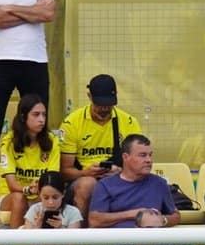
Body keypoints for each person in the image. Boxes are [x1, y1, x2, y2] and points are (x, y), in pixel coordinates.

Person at [0, 0, 56, 218]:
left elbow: (47, 13)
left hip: (34, 59)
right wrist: (31, 13)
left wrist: (8, 9)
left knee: (39, 125)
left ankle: (46, 194)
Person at [58, 73, 143, 216]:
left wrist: (121, 172)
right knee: (87, 185)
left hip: (120, 176)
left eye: (108, 105)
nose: (104, 110)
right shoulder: (72, 123)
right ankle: (82, 236)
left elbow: (140, 162)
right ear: (89, 96)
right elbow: (64, 170)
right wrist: (85, 172)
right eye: (99, 104)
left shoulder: (129, 122)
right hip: (83, 178)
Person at [86, 133, 178, 231]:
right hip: (117, 243)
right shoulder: (105, 185)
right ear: (126, 157)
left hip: (152, 243)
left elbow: (176, 215)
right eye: (142, 155)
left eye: (150, 155)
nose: (149, 160)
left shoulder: (159, 183)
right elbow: (94, 221)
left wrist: (162, 220)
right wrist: (134, 214)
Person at [0, 93, 59, 228]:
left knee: (51, 197)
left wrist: (40, 190)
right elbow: (12, 185)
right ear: (23, 117)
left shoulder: (53, 141)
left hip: (41, 194)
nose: (42, 119)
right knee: (19, 198)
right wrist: (29, 189)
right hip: (11, 195)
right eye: (36, 114)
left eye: (44, 115)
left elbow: (52, 178)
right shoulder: (9, 141)